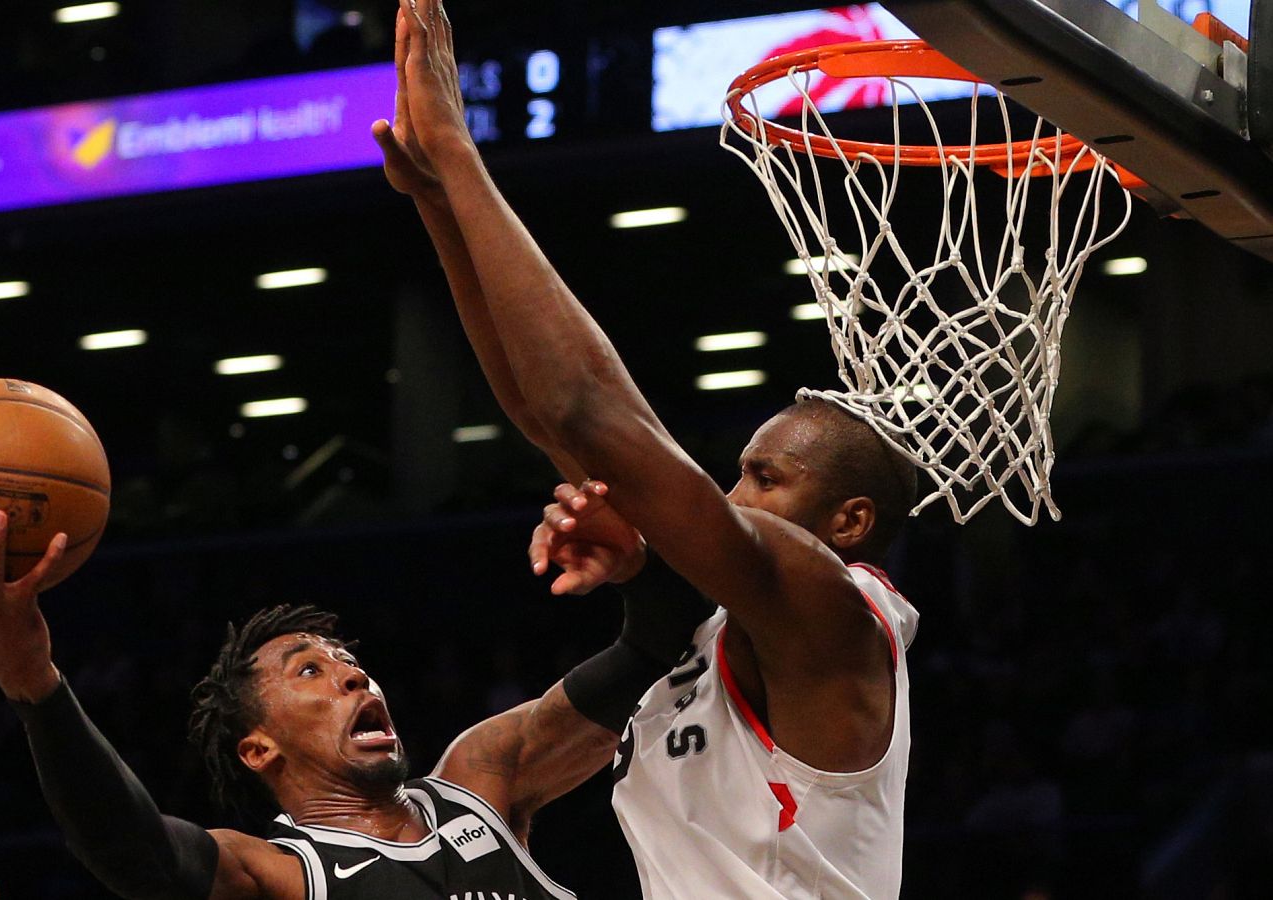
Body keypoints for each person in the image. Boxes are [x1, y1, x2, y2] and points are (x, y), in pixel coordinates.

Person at [373, 1, 921, 896]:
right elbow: (545, 418)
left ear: (849, 520)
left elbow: (586, 412)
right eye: (738, 475)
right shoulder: (712, 627)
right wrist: (436, 198)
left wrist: (464, 159)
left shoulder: (837, 613)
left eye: (766, 479)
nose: (734, 497)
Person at [0, 502, 710, 899]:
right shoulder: (282, 874)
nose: (356, 677)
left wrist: (636, 563)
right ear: (260, 749)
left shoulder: (482, 781)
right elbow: (131, 851)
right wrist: (33, 681)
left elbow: (653, 652)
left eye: (351, 663)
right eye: (310, 672)